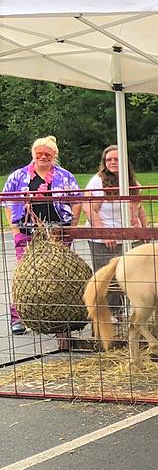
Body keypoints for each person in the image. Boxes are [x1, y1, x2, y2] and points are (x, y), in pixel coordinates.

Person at [2, 136, 82, 335]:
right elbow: (6, 201)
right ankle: (18, 317)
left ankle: (59, 318)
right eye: (40, 153)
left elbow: (77, 201)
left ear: (54, 156)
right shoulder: (18, 176)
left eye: (48, 154)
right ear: (33, 154)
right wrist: (14, 227)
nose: (43, 157)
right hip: (27, 231)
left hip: (57, 230)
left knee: (59, 274)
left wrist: (71, 226)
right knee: (25, 275)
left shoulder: (65, 177)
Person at [83, 145, 148, 318]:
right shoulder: (98, 181)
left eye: (116, 159)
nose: (112, 162)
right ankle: (107, 316)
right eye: (109, 159)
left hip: (127, 238)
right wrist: (105, 232)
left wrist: (145, 231)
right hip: (104, 239)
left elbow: (138, 208)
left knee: (131, 277)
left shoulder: (131, 182)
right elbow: (89, 208)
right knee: (108, 279)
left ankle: (123, 314)